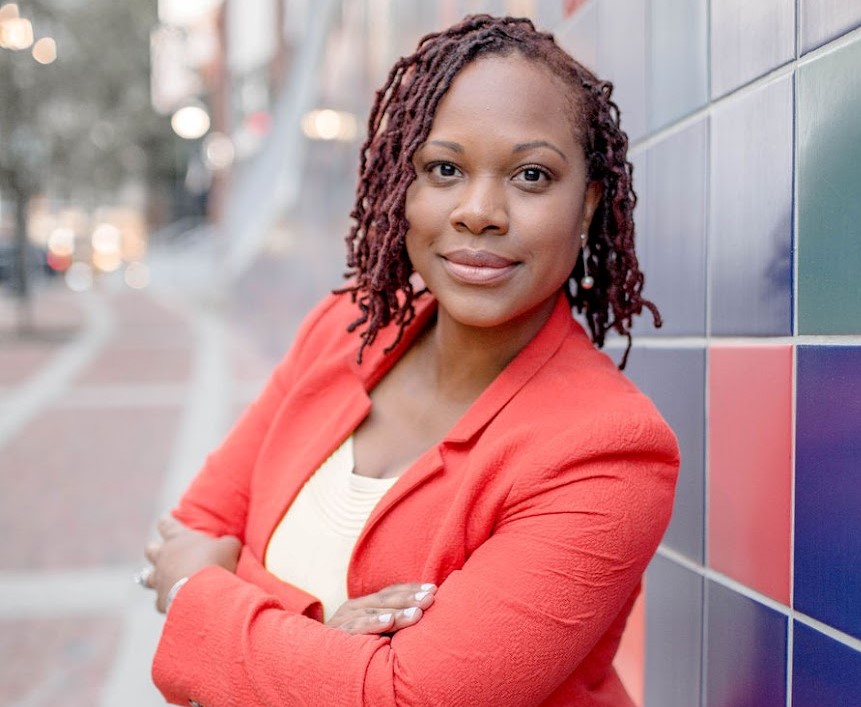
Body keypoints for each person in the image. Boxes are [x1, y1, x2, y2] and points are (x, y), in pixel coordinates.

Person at [141, 14, 680, 706]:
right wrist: (331, 639)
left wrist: (202, 595)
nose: (479, 211)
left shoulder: (609, 452)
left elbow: (409, 699)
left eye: (531, 174)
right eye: (445, 168)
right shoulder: (344, 328)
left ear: (587, 203)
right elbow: (190, 530)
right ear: (405, 186)